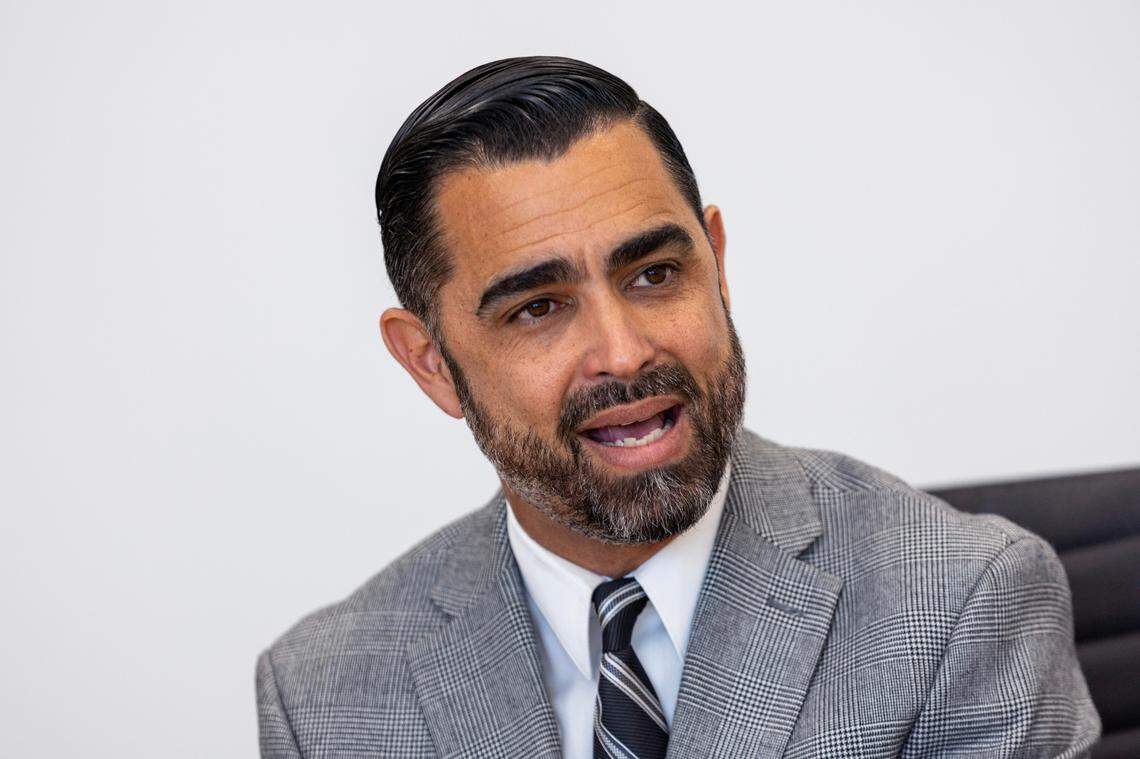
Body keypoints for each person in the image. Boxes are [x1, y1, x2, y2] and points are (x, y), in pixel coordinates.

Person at [255, 56, 1100, 758]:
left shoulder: (959, 602)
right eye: (536, 308)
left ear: (717, 264)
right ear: (430, 362)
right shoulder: (324, 699)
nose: (623, 353)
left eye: (655, 273)